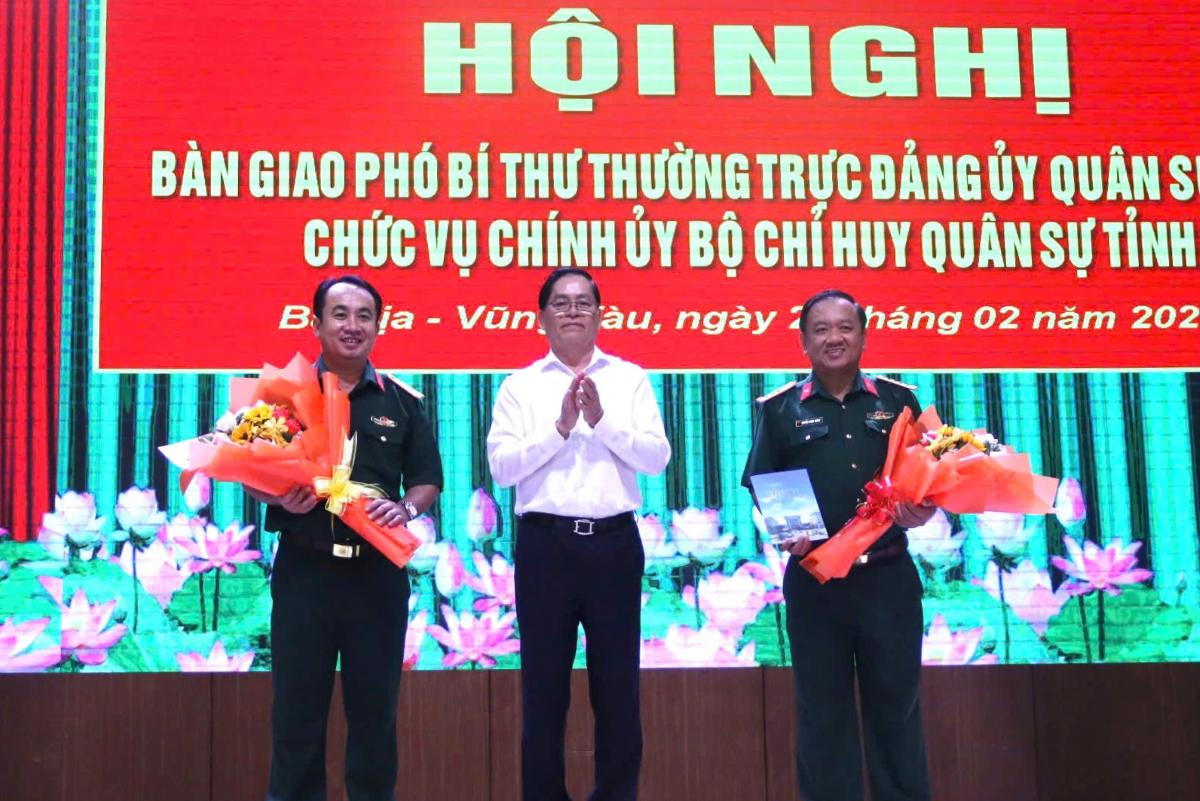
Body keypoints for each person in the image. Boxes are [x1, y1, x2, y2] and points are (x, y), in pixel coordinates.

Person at [252, 275, 444, 801]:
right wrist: (277, 497)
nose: (352, 325)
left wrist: (405, 508)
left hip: (376, 578)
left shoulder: (402, 402)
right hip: (305, 574)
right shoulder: (283, 395)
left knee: (375, 719)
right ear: (316, 324)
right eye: (339, 314)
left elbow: (428, 479)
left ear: (377, 327)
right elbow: (249, 471)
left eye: (364, 315)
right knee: (296, 717)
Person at [742, 289, 936, 801]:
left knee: (897, 710)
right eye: (822, 328)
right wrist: (786, 530)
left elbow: (927, 479)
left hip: (888, 581)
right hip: (816, 581)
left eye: (845, 327)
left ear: (864, 336)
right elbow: (764, 485)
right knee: (822, 716)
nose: (834, 337)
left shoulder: (900, 401)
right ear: (804, 341)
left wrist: (925, 508)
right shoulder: (781, 408)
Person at [487, 267, 671, 801]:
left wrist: (602, 421)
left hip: (614, 545)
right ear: (541, 316)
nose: (573, 311)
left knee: (617, 688)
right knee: (543, 690)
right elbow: (502, 469)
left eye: (583, 302)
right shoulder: (519, 386)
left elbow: (656, 458)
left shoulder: (629, 378)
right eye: (561, 303)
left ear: (599, 313)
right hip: (546, 546)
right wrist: (561, 427)